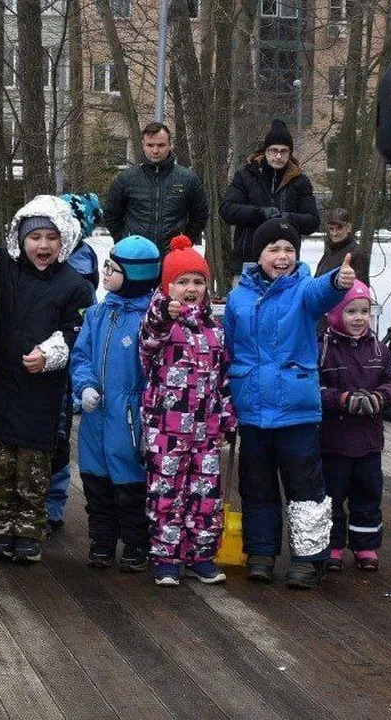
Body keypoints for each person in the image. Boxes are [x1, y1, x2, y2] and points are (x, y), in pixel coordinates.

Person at [223, 218, 355, 589]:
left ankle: (309, 558)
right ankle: (261, 552)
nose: (282, 256)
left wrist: (337, 282)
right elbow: (231, 347)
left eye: (289, 250)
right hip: (252, 408)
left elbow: (322, 294)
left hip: (295, 409)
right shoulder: (239, 297)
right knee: (257, 485)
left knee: (305, 485)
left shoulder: (303, 290)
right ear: (259, 255)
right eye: (274, 249)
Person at [0, 195, 96, 564]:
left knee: (33, 465)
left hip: (42, 392)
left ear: (64, 240)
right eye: (35, 237)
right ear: (21, 238)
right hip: (0, 385)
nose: (42, 245)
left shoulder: (75, 285)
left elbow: (77, 331)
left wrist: (50, 354)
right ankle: (2, 526)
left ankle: (29, 530)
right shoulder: (4, 270)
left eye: (51, 237)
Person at [139, 236, 237, 586]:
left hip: (205, 429)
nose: (191, 289)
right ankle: (166, 556)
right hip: (166, 429)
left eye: (198, 281)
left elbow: (224, 376)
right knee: (167, 491)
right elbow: (149, 337)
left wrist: (227, 416)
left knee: (205, 493)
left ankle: (201, 554)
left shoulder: (215, 329)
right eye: (182, 282)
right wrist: (163, 313)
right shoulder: (164, 324)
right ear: (168, 287)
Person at [70, 235, 161, 571]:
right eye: (106, 266)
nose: (105, 273)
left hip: (130, 418)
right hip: (96, 416)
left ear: (135, 275)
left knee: (131, 487)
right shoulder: (97, 314)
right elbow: (80, 356)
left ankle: (137, 544)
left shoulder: (152, 321)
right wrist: (85, 386)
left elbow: (157, 369)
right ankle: (102, 541)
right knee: (96, 485)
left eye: (113, 268)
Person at [319, 281, 391, 572]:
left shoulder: (379, 350)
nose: (358, 318)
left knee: (367, 493)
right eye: (351, 311)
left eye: (364, 311)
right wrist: (339, 399)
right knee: (332, 495)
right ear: (335, 314)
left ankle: (365, 545)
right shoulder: (323, 349)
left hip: (368, 441)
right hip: (334, 442)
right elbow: (311, 389)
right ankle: (333, 545)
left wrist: (380, 398)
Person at [46, 192, 101, 533]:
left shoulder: (80, 261)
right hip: (37, 355)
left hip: (67, 357)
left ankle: (53, 502)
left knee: (59, 436)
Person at [221, 119, 319, 282]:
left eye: (284, 151)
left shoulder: (300, 181)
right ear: (265, 151)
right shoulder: (246, 175)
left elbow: (313, 221)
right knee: (246, 307)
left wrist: (289, 218)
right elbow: (227, 210)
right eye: (274, 150)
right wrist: (259, 213)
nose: (278, 156)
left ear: (290, 153)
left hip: (285, 264)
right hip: (248, 260)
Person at [103, 122, 209, 255]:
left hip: (174, 256)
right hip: (136, 257)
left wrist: (184, 243)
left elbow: (200, 215)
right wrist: (124, 241)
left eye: (161, 145)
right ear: (143, 145)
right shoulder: (126, 179)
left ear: (170, 145)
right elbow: (111, 215)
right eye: (150, 145)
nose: (155, 150)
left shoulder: (187, 179)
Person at [315, 207, 370, 283]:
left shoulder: (357, 254)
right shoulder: (330, 251)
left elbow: (361, 289)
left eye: (339, 228)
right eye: (331, 229)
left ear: (348, 227)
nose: (334, 233)